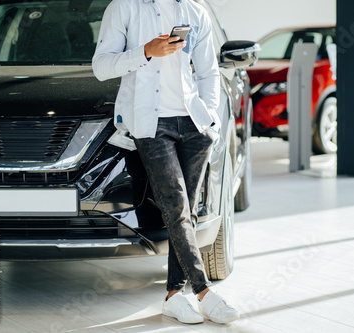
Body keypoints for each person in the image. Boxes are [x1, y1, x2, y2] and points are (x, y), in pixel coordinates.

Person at [92, 0, 240, 325]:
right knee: (175, 207)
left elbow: (208, 71)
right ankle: (204, 293)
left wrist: (210, 119)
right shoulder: (124, 8)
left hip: (194, 123)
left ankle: (174, 295)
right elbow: (101, 67)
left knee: (185, 211)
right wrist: (145, 51)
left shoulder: (195, 11)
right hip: (151, 123)